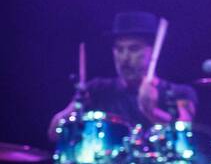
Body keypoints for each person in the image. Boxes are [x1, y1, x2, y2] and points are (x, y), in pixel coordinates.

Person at [48, 11, 196, 140]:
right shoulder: (96, 89)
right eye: (119, 49)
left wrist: (152, 112)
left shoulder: (179, 93)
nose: (124, 58)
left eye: (134, 49)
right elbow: (53, 133)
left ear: (153, 51)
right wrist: (74, 109)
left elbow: (186, 134)